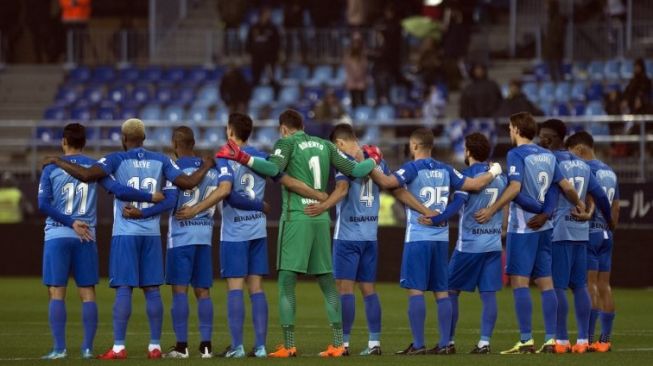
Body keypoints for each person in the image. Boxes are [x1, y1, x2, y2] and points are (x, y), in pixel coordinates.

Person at [43, 118, 214, 359]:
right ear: (143, 138)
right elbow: (180, 189)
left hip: (125, 234)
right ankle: (155, 347)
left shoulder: (115, 159)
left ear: (124, 139)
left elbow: (86, 175)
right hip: (151, 234)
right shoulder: (162, 160)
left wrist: (57, 161)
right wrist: (205, 166)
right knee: (152, 290)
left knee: (124, 288)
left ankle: (119, 347)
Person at [215, 109, 379, 358]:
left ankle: (289, 345)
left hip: (297, 219)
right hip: (321, 220)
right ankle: (337, 344)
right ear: (303, 124)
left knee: (286, 284)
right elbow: (356, 170)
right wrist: (373, 160)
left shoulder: (286, 142)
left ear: (283, 128)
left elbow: (273, 168)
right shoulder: (325, 144)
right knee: (327, 282)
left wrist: (242, 157)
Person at [365, 128, 503, 355]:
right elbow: (475, 185)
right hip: (441, 238)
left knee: (416, 290)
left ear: (414, 145)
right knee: (441, 292)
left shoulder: (412, 168)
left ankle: (418, 345)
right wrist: (494, 171)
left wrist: (371, 165)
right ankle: (446, 343)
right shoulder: (446, 169)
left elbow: (388, 182)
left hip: (418, 237)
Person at [302, 124, 436, 356]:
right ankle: (374, 343)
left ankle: (342, 344)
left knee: (345, 289)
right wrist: (423, 209)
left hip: (347, 236)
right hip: (369, 236)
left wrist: (323, 206)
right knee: (369, 289)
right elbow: (396, 189)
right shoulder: (378, 161)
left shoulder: (343, 161)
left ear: (340, 143)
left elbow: (342, 190)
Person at [38, 123, 162, 359]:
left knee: (56, 292)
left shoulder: (51, 168)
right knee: (87, 293)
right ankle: (86, 349)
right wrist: (150, 197)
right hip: (87, 236)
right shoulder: (96, 168)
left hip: (57, 233)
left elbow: (44, 205)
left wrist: (69, 221)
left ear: (64, 141)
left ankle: (58, 349)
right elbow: (118, 189)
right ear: (84, 142)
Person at [473, 112, 584, 354]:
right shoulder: (547, 154)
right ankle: (552, 339)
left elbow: (515, 187)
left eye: (510, 128)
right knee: (546, 283)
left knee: (519, 281)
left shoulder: (516, 154)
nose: (509, 132)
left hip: (523, 227)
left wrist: (493, 208)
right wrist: (580, 203)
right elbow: (565, 187)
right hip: (545, 228)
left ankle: (525, 340)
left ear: (515, 129)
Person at [174, 114, 271, 358]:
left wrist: (195, 209)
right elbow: (276, 171)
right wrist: (259, 206)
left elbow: (226, 191)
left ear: (230, 131)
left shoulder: (225, 156)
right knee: (257, 288)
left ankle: (237, 346)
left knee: (235, 288)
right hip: (258, 230)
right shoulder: (260, 156)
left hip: (235, 233)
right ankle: (260, 347)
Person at [416, 133, 508, 354]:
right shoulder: (501, 178)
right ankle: (484, 343)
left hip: (469, 246)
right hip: (494, 244)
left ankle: (447, 342)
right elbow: (507, 207)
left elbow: (456, 205)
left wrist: (436, 218)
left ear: (468, 152)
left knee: (449, 291)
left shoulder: (467, 176)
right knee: (488, 294)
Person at [537, 119, 613, 354]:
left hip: (559, 230)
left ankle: (561, 340)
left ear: (554, 138)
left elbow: (549, 195)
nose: (540, 140)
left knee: (558, 286)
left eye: (544, 136)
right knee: (580, 286)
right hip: (581, 231)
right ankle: (582, 340)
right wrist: (606, 219)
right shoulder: (583, 165)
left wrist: (544, 214)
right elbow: (600, 196)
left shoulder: (551, 162)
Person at [565, 131, 619, 353]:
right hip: (606, 234)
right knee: (604, 286)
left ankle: (585, 338)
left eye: (571, 154)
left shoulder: (587, 170)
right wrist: (610, 228)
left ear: (579, 149)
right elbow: (615, 205)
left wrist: (588, 216)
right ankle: (604, 340)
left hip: (589, 232)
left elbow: (591, 199)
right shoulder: (610, 172)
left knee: (589, 286)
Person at [246, 7, 280, 86]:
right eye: (266, 14)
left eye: (268, 14)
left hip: (269, 57)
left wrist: (276, 54)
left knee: (271, 79)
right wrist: (249, 53)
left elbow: (277, 42)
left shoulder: (272, 28)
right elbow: (249, 41)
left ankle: (274, 93)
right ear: (261, 15)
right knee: (255, 79)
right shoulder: (254, 28)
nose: (268, 16)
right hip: (256, 57)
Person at [343, 33, 368, 109]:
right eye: (355, 42)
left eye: (358, 42)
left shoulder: (363, 54)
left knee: (362, 100)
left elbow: (365, 66)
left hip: (361, 79)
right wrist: (352, 76)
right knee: (354, 100)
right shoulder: (348, 54)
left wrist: (360, 75)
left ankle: (363, 115)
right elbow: (347, 66)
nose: (356, 44)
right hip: (352, 80)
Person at [543, 0, 565, 82]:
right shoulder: (550, 20)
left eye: (547, 6)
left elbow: (559, 35)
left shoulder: (558, 19)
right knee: (552, 72)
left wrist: (554, 44)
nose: (545, 8)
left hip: (556, 52)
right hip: (550, 52)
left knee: (558, 70)